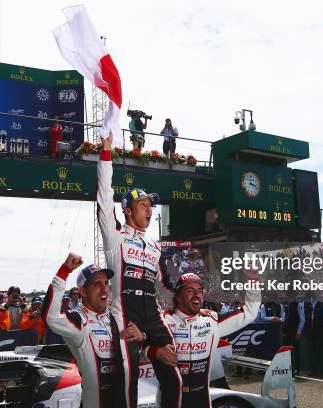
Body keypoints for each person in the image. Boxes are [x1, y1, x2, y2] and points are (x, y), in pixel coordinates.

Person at [97, 132, 181, 408]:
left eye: (150, 205)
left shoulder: (155, 246)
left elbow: (166, 288)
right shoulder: (116, 238)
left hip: (153, 317)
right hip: (125, 315)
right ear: (128, 211)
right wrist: (106, 152)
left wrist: (192, 307)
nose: (149, 210)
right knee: (128, 379)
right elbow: (104, 197)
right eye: (143, 205)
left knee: (175, 379)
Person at [44, 252, 144, 408]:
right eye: (97, 284)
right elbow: (51, 317)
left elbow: (140, 348)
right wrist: (64, 270)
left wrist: (142, 337)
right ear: (83, 292)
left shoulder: (116, 317)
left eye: (105, 283)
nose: (104, 289)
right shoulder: (79, 320)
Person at [150, 273, 260, 407]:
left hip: (202, 400)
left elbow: (249, 313)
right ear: (177, 296)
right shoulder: (162, 320)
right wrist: (154, 352)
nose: (197, 295)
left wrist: (253, 281)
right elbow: (136, 348)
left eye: (200, 291)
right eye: (190, 290)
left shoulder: (212, 320)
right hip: (170, 401)